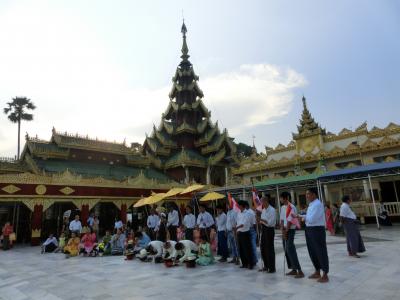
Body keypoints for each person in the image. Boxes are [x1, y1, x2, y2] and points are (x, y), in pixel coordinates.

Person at [302, 188, 329, 283]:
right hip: (309, 229)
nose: (307, 196)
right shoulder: (311, 204)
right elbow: (309, 217)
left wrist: (304, 218)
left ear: (314, 195)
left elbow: (312, 219)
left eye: (308, 194)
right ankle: (317, 270)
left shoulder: (318, 204)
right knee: (312, 251)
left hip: (317, 229)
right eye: (306, 194)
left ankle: (325, 274)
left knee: (320, 251)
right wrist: (301, 216)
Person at [279, 192, 304, 278]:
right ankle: (293, 268)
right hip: (284, 230)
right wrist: (282, 230)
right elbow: (282, 220)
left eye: (281, 198)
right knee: (286, 249)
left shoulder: (291, 207)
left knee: (290, 248)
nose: (280, 200)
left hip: (290, 230)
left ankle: (299, 270)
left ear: (285, 198)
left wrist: (286, 231)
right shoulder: (282, 207)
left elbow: (290, 221)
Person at [259, 196, 276, 273]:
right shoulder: (263, 210)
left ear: (266, 201)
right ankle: (266, 265)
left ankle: (272, 267)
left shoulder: (272, 210)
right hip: (264, 229)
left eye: (262, 201)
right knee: (263, 248)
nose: (261, 203)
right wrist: (260, 221)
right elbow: (262, 222)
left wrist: (261, 219)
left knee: (269, 249)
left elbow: (270, 223)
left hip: (269, 230)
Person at [236, 200, 254, 269]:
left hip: (245, 232)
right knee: (241, 249)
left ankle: (250, 263)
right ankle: (244, 263)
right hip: (240, 232)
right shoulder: (239, 213)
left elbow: (244, 223)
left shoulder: (247, 213)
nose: (238, 206)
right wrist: (237, 229)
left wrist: (236, 227)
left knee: (247, 249)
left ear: (241, 206)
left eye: (239, 205)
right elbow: (238, 222)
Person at [245, 202, 258, 267]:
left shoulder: (250, 212)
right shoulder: (246, 212)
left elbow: (254, 223)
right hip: (247, 230)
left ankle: (255, 260)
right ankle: (251, 259)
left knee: (253, 246)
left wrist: (256, 232)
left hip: (251, 229)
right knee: (249, 246)